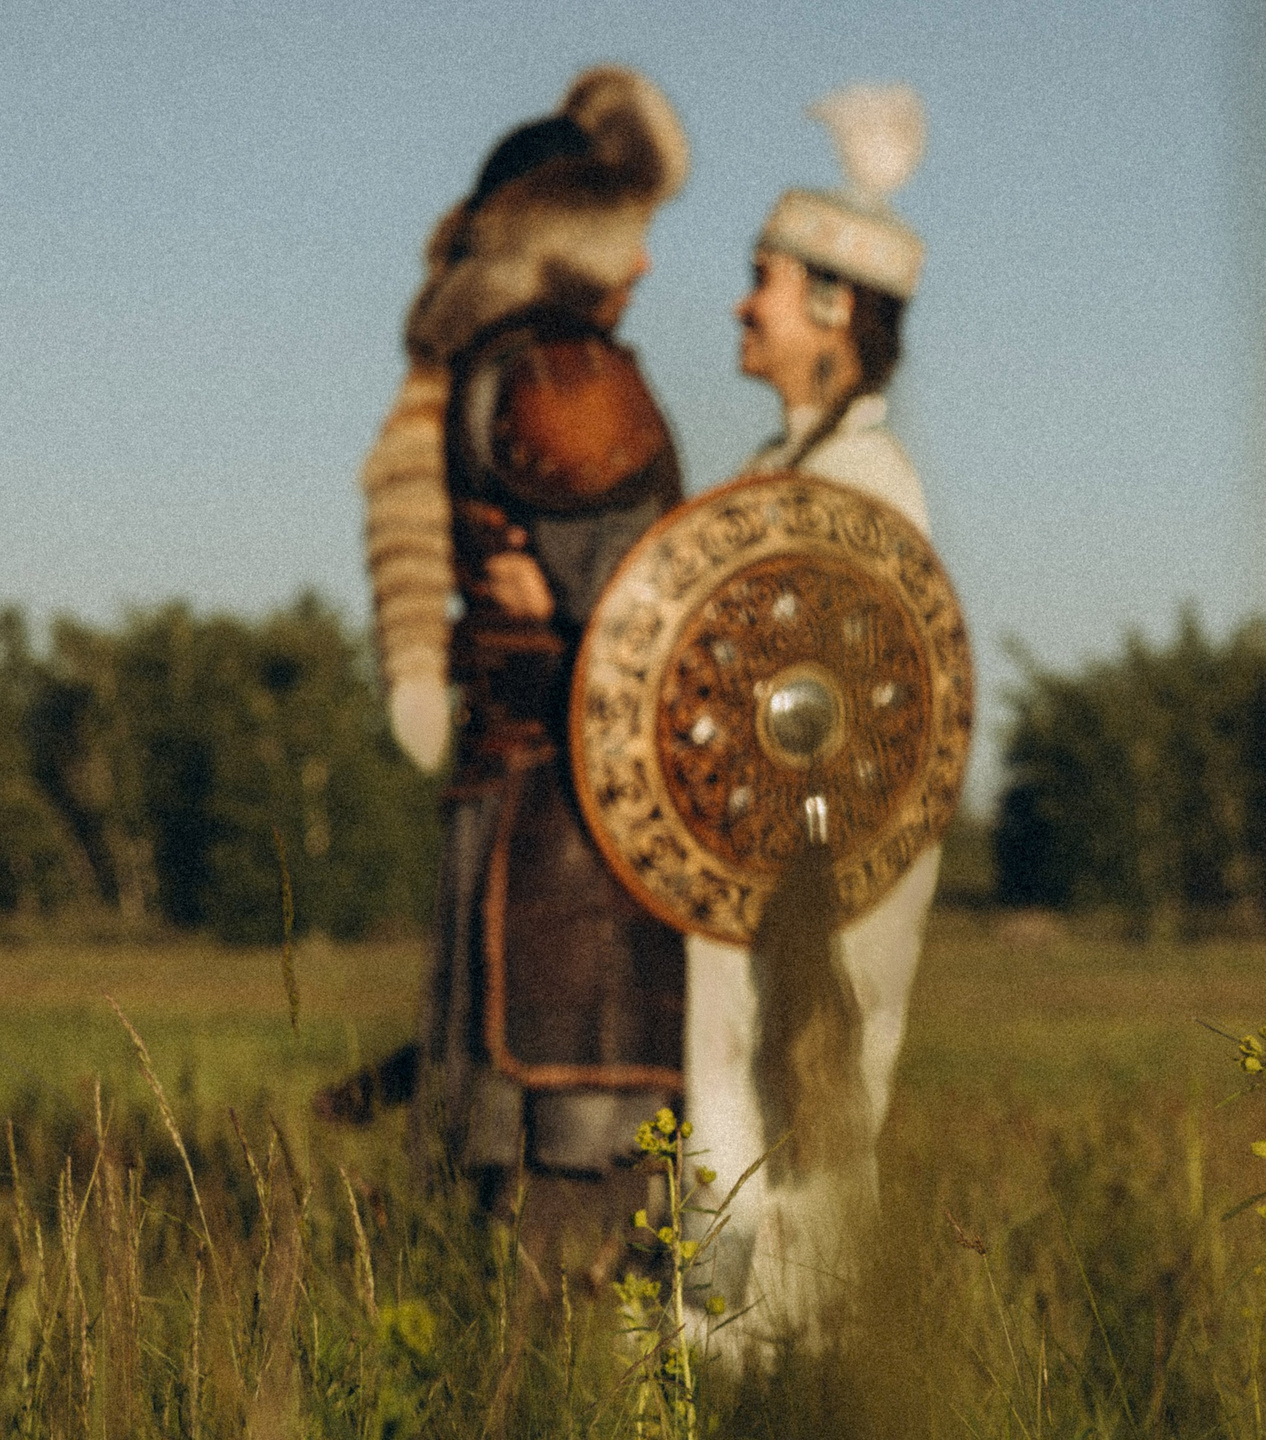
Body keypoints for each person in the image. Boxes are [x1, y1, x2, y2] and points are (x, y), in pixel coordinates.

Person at [353, 66, 693, 1269]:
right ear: (572, 234)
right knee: (584, 1186)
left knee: (507, 1184)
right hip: (577, 828)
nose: (647, 265)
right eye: (634, 236)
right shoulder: (567, 382)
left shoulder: (481, 368)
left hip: (512, 805)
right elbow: (645, 623)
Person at [684, 83, 940, 1357]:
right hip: (747, 881)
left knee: (799, 1136)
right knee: (727, 1126)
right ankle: (729, 1360)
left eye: (763, 282)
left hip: (804, 883)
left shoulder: (860, 486)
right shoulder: (780, 475)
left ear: (835, 315)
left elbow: (860, 728)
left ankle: (784, 1376)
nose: (739, 302)